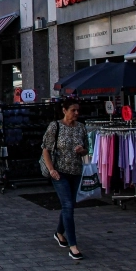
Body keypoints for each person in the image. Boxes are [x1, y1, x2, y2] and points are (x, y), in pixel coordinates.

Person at [41, 99, 88, 260]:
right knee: (67, 205)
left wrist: (82, 151)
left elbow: (87, 149)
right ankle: (73, 246)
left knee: (70, 204)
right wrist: (51, 169)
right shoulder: (55, 126)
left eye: (78, 110)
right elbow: (45, 149)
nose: (76, 113)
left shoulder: (81, 127)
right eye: (73, 110)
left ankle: (59, 232)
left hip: (76, 171)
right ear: (64, 110)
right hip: (59, 172)